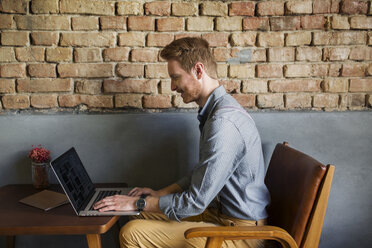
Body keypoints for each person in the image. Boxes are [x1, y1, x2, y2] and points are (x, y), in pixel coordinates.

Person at [94, 37, 270, 248]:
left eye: (176, 77)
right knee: (139, 216)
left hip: (244, 234)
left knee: (132, 233)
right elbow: (202, 173)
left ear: (198, 70)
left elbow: (196, 202)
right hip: (220, 217)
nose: (173, 87)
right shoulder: (214, 112)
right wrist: (160, 194)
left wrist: (138, 202)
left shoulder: (223, 123)